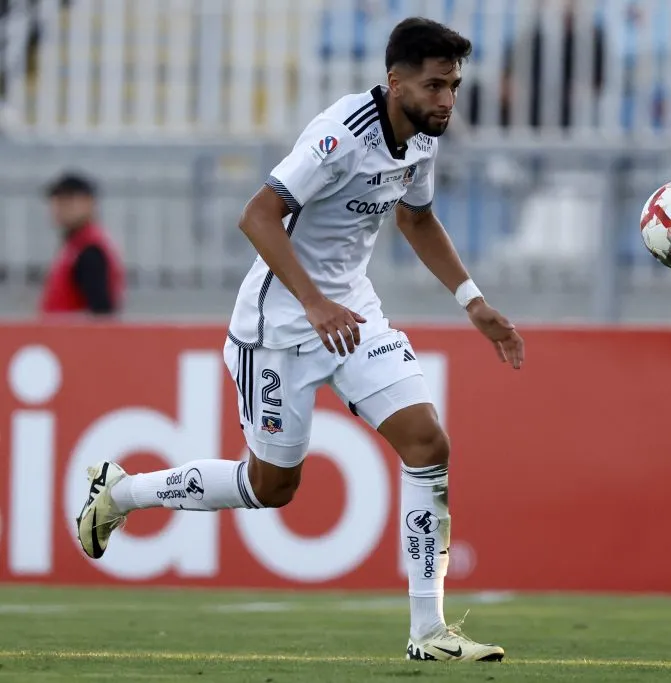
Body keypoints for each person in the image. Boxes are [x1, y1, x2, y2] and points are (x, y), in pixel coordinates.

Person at [72, 17, 523, 662]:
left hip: (351, 312)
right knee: (271, 487)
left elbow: (417, 218)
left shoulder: (422, 138)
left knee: (428, 444)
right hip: (279, 324)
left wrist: (472, 302)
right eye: (434, 86)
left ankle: (429, 633)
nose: (447, 99)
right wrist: (312, 303)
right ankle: (119, 493)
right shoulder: (341, 135)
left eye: (454, 85)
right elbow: (256, 214)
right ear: (395, 83)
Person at [39, 172, 124, 316]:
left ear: (90, 203)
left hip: (70, 337)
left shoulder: (90, 251)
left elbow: (100, 312)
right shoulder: (75, 247)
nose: (60, 207)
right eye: (57, 201)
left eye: (68, 200)